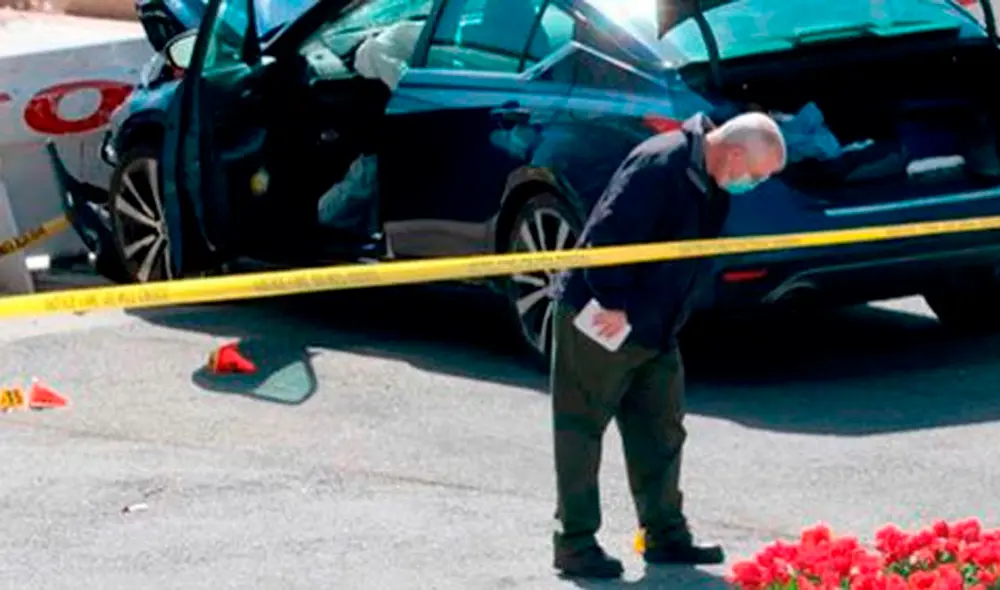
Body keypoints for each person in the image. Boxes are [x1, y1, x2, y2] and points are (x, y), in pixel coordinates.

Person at [549, 111, 787, 580]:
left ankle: (665, 535)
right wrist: (613, 302)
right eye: (758, 175)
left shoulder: (713, 176)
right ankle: (575, 543)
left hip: (654, 326)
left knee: (661, 430)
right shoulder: (661, 163)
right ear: (735, 154)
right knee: (581, 429)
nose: (755, 185)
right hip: (602, 315)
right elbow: (610, 235)